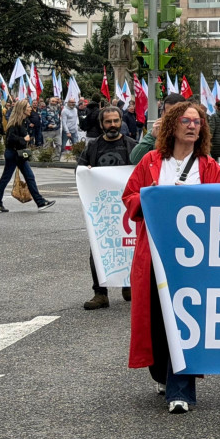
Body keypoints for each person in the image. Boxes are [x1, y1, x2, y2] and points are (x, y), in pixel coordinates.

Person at [124, 102, 220, 414]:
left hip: (193, 261)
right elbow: (129, 196)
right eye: (186, 120)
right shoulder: (152, 161)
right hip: (155, 252)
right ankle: (162, 372)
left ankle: (179, 390)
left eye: (197, 122)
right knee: (156, 321)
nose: (192, 126)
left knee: (185, 321)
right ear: (172, 125)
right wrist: (150, 195)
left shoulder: (209, 166)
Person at [78, 106, 137, 310]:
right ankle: (100, 293)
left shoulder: (132, 145)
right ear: (101, 124)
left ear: (121, 121)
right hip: (102, 209)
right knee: (98, 249)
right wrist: (86, 172)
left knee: (129, 246)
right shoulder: (93, 147)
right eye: (108, 122)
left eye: (116, 121)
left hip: (125, 209)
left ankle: (127, 284)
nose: (112, 125)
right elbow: (80, 172)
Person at [0, 100, 55, 213]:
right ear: (23, 109)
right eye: (28, 107)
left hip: (19, 154)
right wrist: (24, 139)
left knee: (29, 176)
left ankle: (40, 202)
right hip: (13, 154)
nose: (30, 108)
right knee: (6, 178)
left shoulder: (22, 121)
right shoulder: (15, 123)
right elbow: (10, 139)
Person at [131, 93, 189, 164]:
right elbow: (134, 159)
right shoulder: (157, 131)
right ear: (163, 113)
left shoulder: (191, 132)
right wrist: (152, 137)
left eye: (176, 113)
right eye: (169, 113)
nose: (172, 117)